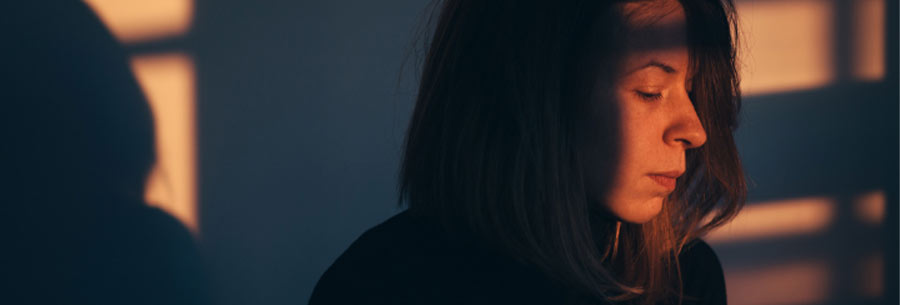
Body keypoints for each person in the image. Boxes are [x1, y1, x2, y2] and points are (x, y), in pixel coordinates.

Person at [310, 0, 745, 304]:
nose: (695, 130)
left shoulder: (684, 282)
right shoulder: (378, 286)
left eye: (689, 91)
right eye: (651, 91)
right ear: (531, 94)